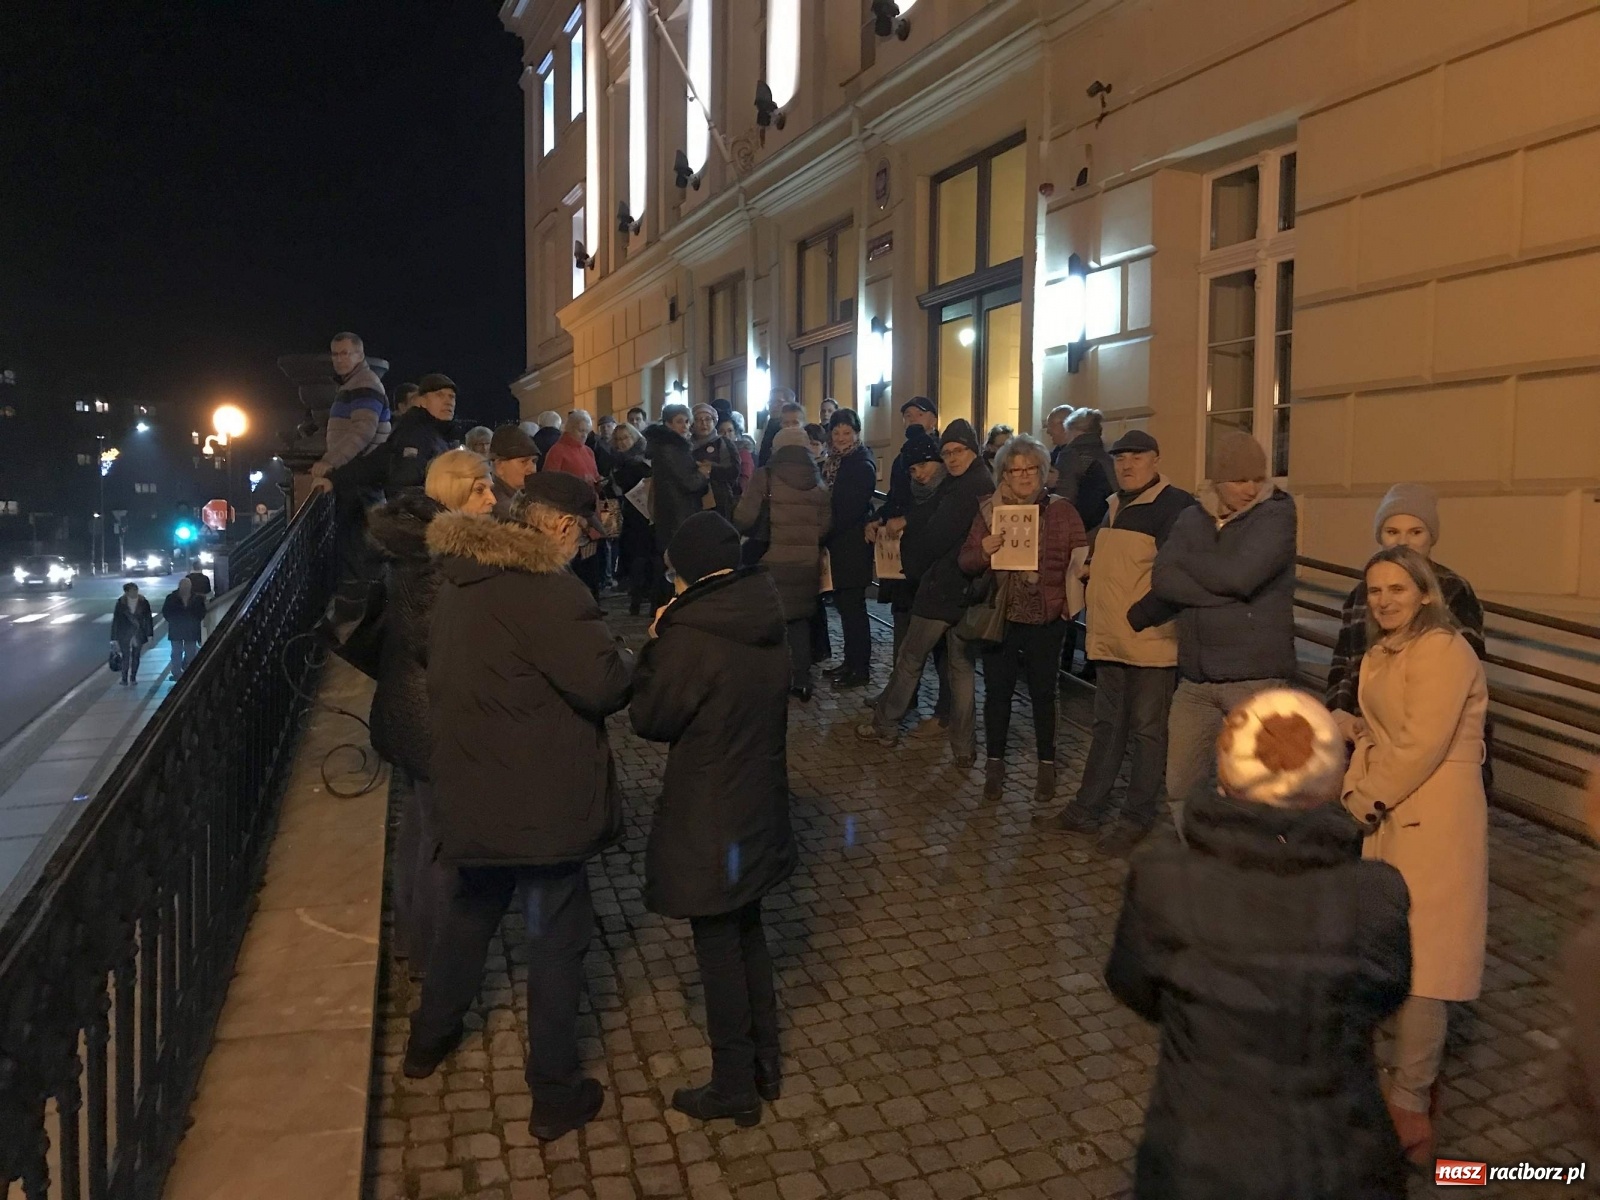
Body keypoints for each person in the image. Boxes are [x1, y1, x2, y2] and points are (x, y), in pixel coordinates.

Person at [1107, 689, 1411, 1200]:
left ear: (1225, 773)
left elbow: (1134, 984)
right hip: (1336, 1162)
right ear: (1332, 778)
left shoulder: (1162, 881)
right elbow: (1385, 995)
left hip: (1198, 1160)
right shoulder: (1375, 896)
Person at [407, 473, 633, 1144]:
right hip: (542, 799)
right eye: (585, 536)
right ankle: (555, 1092)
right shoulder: (552, 591)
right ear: (562, 527)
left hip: (472, 787)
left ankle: (427, 1042)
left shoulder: (463, 575)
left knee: (470, 915)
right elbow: (603, 687)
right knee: (557, 939)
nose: (585, 549)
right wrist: (625, 651)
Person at [630, 512, 795, 1125]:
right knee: (746, 928)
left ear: (691, 569)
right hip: (756, 796)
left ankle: (733, 1085)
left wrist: (655, 646)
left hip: (710, 807)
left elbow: (652, 719)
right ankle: (764, 1062)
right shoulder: (761, 614)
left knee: (718, 943)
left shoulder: (691, 634)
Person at [1340, 545, 1489, 1166]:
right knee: (1388, 950)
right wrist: (1356, 751)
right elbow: (1384, 733)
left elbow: (1422, 744)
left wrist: (1358, 798)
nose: (1384, 600)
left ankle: (1411, 1105)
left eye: (1397, 588)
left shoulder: (1444, 651)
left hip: (1436, 817)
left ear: (1425, 592)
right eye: (1375, 590)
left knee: (1427, 961)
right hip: (1393, 814)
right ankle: (1389, 1085)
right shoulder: (1381, 652)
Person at [367, 450, 497, 975]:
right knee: (440, 840)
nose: (492, 499)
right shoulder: (435, 557)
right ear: (451, 494)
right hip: (431, 712)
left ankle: (412, 936)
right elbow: (436, 640)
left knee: (420, 828)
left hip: (410, 706)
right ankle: (435, 954)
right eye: (481, 489)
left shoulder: (417, 542)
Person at [1040, 430, 1196, 854]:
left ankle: (1136, 817)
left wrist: (1142, 615)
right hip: (1109, 639)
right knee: (1108, 727)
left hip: (1150, 642)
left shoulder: (1175, 506)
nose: (1127, 465)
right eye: (1121, 458)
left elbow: (1176, 574)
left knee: (1147, 733)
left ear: (1156, 459)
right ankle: (1087, 808)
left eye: (1137, 457)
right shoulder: (1113, 505)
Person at [1146, 431, 1297, 833]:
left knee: (1257, 790)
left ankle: (1255, 877)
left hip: (1254, 675)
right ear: (1217, 481)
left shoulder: (1277, 514)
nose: (1249, 489)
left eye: (1256, 479)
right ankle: (1202, 866)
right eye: (1238, 480)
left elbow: (1242, 576)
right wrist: (1219, 595)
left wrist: (1193, 568)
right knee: (1181, 785)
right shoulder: (1192, 517)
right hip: (1196, 679)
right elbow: (1162, 580)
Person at [1325, 483, 1489, 785]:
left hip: (1425, 741)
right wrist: (1338, 714)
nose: (1403, 541)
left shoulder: (1452, 589)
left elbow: (1461, 672)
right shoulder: (1361, 593)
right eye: (1392, 532)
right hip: (1364, 733)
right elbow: (1346, 661)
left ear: (1431, 537)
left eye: (1416, 532)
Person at [959, 434, 1088, 803]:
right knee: (997, 694)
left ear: (1043, 471)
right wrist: (983, 552)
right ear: (1004, 474)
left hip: (1046, 618)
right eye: (1015, 470)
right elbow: (965, 561)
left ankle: (1046, 766)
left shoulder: (1062, 510)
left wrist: (1066, 605)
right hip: (1001, 615)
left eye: (1031, 468)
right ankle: (995, 765)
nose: (1023, 475)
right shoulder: (988, 510)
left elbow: (1080, 558)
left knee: (1044, 694)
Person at [859, 420, 991, 764]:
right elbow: (929, 515)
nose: (952, 458)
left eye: (957, 450)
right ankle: (964, 750)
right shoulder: (968, 481)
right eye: (946, 452)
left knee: (910, 659)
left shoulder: (970, 485)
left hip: (943, 589)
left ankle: (885, 726)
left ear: (972, 449)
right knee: (960, 670)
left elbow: (938, 536)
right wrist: (908, 522)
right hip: (960, 589)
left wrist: (912, 564)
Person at [734, 426, 831, 699]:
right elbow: (824, 526)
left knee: (767, 619)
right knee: (799, 622)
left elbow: (745, 517)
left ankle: (768, 679)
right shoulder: (818, 480)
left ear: (778, 447)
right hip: (805, 563)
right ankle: (801, 679)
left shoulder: (766, 475)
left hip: (770, 561)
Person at [877, 435, 951, 719]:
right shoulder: (910, 491)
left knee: (941, 653)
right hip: (906, 581)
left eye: (923, 465)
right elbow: (895, 508)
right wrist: (879, 520)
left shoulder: (947, 490)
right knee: (903, 645)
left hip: (935, 584)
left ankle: (944, 711)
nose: (919, 474)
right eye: (912, 469)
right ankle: (903, 699)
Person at [823, 410, 877, 689]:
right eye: (836, 432)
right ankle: (850, 662)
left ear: (856, 433)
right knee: (845, 608)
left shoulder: (860, 462)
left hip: (852, 544)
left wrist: (825, 528)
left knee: (854, 609)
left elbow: (851, 508)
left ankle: (860, 668)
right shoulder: (833, 461)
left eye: (847, 432)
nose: (842, 438)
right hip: (838, 545)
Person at [643, 404, 711, 602]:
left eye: (687, 421)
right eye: (680, 421)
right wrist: (702, 474)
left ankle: (662, 602)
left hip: (670, 511)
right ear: (668, 424)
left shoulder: (665, 447)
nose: (685, 426)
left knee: (668, 558)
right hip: (679, 511)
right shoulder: (673, 448)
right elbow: (688, 482)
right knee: (677, 560)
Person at [311, 332, 392, 482]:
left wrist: (330, 461)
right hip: (358, 472)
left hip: (361, 474)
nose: (339, 359)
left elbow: (363, 430)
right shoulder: (354, 383)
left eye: (345, 353)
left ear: (360, 356)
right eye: (335, 354)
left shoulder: (364, 383)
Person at [384, 374, 458, 494]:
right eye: (439, 395)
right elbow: (405, 486)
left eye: (452, 397)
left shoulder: (438, 434)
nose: (448, 402)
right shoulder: (414, 433)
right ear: (422, 401)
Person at [610, 421, 654, 615]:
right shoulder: (618, 462)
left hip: (647, 514)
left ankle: (646, 596)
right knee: (636, 556)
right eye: (618, 439)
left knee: (645, 556)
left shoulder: (642, 459)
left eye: (625, 438)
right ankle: (636, 596)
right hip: (631, 515)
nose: (622, 443)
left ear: (634, 437)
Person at [691, 403, 741, 515]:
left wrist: (712, 469)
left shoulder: (724, 443)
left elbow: (734, 470)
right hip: (693, 499)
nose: (703, 423)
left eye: (708, 419)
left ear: (714, 421)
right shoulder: (687, 445)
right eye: (698, 420)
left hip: (720, 499)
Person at [161, 575, 207, 681]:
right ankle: (176, 672)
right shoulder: (171, 598)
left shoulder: (196, 599)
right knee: (176, 652)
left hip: (190, 629)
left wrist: (195, 620)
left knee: (190, 652)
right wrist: (173, 620)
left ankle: (189, 671)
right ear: (180, 586)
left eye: (187, 586)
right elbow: (166, 611)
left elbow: (202, 611)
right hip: (176, 628)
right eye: (184, 586)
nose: (185, 588)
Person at [489, 425, 539, 521]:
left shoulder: (517, 497)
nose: (532, 469)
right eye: (523, 462)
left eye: (534, 461)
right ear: (499, 466)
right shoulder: (504, 509)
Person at [111, 582, 154, 686]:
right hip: (124, 634)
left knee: (136, 656)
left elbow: (148, 618)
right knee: (125, 656)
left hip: (138, 633)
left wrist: (150, 634)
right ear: (126, 592)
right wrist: (114, 638)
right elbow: (116, 620)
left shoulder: (143, 602)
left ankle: (133, 677)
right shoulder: (121, 603)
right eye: (132, 590)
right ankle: (124, 678)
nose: (135, 592)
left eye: (136, 590)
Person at [756, 387, 796, 466]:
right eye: (771, 402)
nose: (774, 406)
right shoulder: (767, 425)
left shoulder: (793, 429)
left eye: (779, 402)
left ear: (790, 405)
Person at [718, 416, 754, 495]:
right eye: (721, 431)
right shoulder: (716, 451)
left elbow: (746, 477)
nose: (726, 434)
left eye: (730, 431)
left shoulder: (743, 452)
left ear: (735, 433)